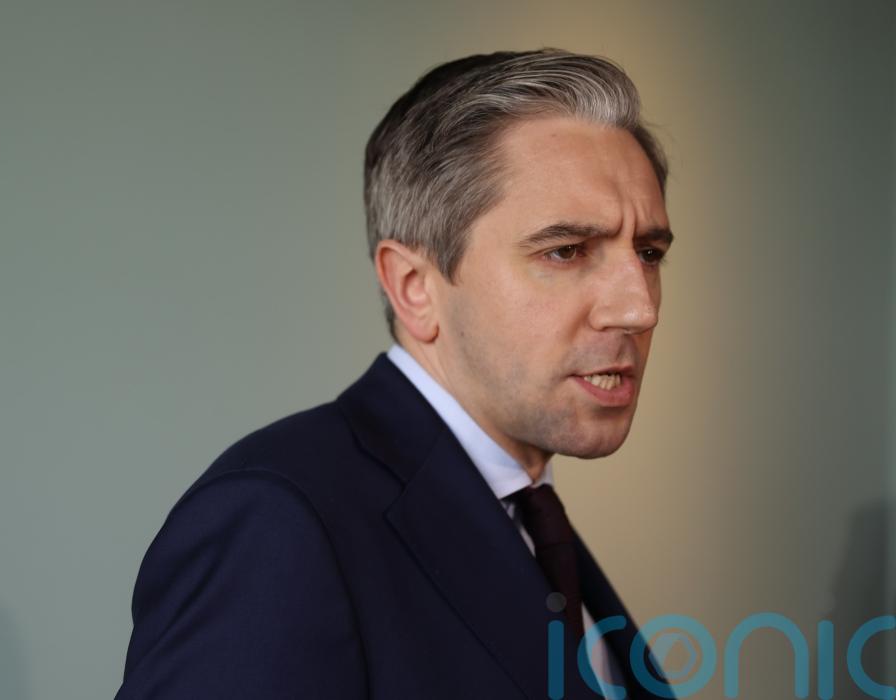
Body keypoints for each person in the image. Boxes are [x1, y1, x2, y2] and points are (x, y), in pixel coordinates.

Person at [115, 48, 676, 699]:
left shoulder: (532, 519)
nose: (638, 307)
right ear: (414, 287)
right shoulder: (277, 523)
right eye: (566, 251)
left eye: (648, 252)